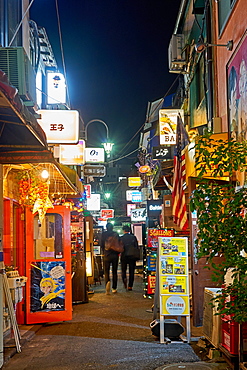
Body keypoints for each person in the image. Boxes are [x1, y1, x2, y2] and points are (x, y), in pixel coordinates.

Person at [101, 222, 120, 294]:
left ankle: (107, 286)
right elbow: (119, 244)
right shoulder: (116, 234)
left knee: (106, 271)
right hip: (115, 255)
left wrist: (104, 251)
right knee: (114, 271)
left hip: (106, 255)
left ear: (106, 227)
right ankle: (114, 288)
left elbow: (101, 244)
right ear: (112, 227)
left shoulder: (104, 234)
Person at [120, 225, 139, 291]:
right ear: (129, 230)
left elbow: (120, 247)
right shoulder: (133, 237)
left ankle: (124, 280)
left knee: (123, 270)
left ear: (123, 230)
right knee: (131, 271)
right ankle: (130, 286)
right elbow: (136, 247)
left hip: (124, 255)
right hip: (132, 256)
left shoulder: (121, 238)